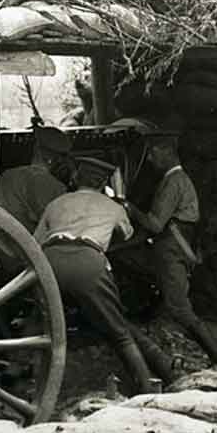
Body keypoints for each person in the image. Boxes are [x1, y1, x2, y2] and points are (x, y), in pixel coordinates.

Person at [34, 156, 179, 394]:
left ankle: (37, 391)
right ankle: (148, 388)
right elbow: (127, 234)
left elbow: (35, 242)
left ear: (75, 178)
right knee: (120, 334)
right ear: (103, 184)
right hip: (89, 261)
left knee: (44, 329)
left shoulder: (56, 203)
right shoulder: (113, 207)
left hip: (50, 261)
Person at [113, 134, 217, 363]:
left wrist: (128, 207)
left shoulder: (174, 181)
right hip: (171, 245)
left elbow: (155, 223)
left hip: (172, 248)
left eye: (154, 153)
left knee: (180, 308)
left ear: (167, 151)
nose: (151, 159)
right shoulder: (174, 179)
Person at [0, 126, 72, 270]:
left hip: (2, 252)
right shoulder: (51, 185)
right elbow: (60, 227)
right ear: (55, 159)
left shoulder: (8, 175)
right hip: (29, 258)